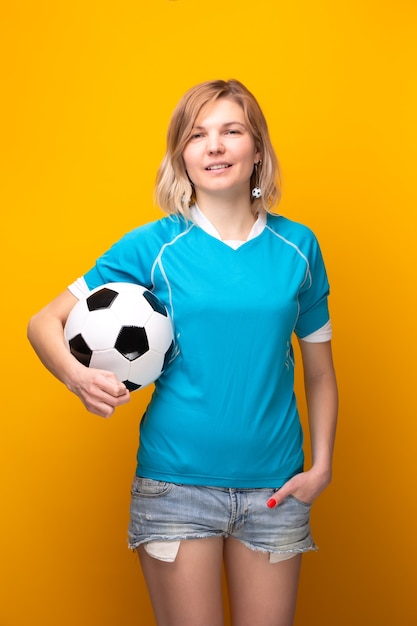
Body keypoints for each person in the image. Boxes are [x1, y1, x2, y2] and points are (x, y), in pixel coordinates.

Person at [27, 79, 338, 626]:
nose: (214, 146)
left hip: (275, 491)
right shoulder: (154, 245)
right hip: (176, 488)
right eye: (197, 136)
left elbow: (319, 373)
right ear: (182, 156)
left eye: (231, 131)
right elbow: (41, 323)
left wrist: (322, 468)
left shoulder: (299, 247)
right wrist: (79, 379)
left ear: (257, 148)